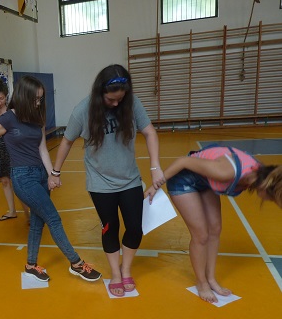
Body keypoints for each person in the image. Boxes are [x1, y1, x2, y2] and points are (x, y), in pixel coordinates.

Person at [50, 64, 165, 297]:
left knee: (135, 228)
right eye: (111, 100)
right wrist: (55, 172)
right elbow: (67, 141)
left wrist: (155, 167)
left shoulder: (132, 104)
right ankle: (115, 273)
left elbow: (150, 132)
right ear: (99, 93)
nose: (115, 104)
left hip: (130, 180)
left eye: (119, 100)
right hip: (100, 183)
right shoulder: (83, 110)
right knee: (110, 228)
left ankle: (126, 269)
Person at [0, 75, 102, 283]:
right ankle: (76, 263)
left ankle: (31, 265)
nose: (38, 103)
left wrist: (52, 174)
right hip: (22, 177)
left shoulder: (38, 117)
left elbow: (42, 149)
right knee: (53, 218)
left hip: (40, 174)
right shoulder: (8, 118)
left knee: (38, 222)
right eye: (35, 99)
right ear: (23, 96)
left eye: (40, 99)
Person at [145, 145, 282, 303]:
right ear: (266, 188)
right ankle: (201, 282)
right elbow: (183, 161)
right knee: (201, 235)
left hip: (205, 182)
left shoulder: (259, 172)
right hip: (183, 180)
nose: (268, 201)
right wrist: (155, 186)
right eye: (271, 199)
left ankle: (210, 279)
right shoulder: (225, 172)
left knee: (215, 229)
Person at [0, 77, 29, 222]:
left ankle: (28, 214)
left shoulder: (12, 110)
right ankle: (12, 211)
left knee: (17, 182)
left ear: (6, 97)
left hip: (12, 148)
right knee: (4, 181)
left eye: (2, 98)